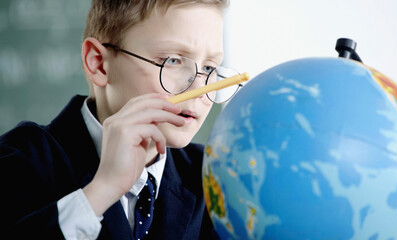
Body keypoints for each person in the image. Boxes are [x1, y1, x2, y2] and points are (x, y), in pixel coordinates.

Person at [0, 0, 236, 239]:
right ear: (99, 64)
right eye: (172, 60)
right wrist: (102, 189)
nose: (198, 87)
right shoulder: (20, 159)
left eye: (209, 68)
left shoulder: (215, 178)